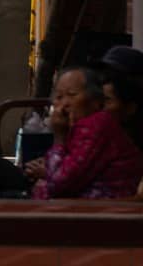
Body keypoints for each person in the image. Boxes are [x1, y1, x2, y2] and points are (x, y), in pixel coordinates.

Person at [27, 66, 143, 199]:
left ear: (95, 101)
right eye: (59, 97)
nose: (64, 104)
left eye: (71, 95)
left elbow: (58, 185)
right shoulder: (81, 127)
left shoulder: (96, 125)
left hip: (94, 208)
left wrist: (59, 138)